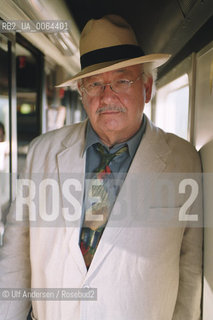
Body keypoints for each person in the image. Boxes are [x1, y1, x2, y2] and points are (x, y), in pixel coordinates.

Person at [0, 15, 203, 320]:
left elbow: (189, 272)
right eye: (94, 84)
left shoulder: (182, 161)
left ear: (146, 88)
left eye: (122, 80)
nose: (107, 96)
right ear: (82, 93)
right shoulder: (42, 152)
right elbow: (15, 257)